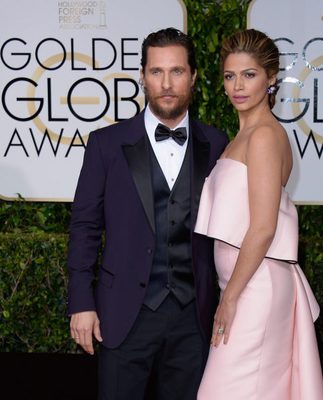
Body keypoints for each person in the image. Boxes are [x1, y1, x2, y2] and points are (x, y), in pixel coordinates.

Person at [67, 27, 228, 400]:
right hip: (122, 314)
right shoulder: (106, 144)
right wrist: (81, 302)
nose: (166, 83)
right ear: (142, 76)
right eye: (156, 72)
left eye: (176, 71)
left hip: (194, 318)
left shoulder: (217, 144)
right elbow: (85, 226)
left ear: (193, 76)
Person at [195, 29, 323, 399]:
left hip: (255, 286)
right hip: (245, 283)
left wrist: (231, 297)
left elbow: (264, 226)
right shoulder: (242, 137)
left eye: (249, 75)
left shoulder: (266, 136)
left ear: (271, 78)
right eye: (229, 75)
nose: (238, 85)